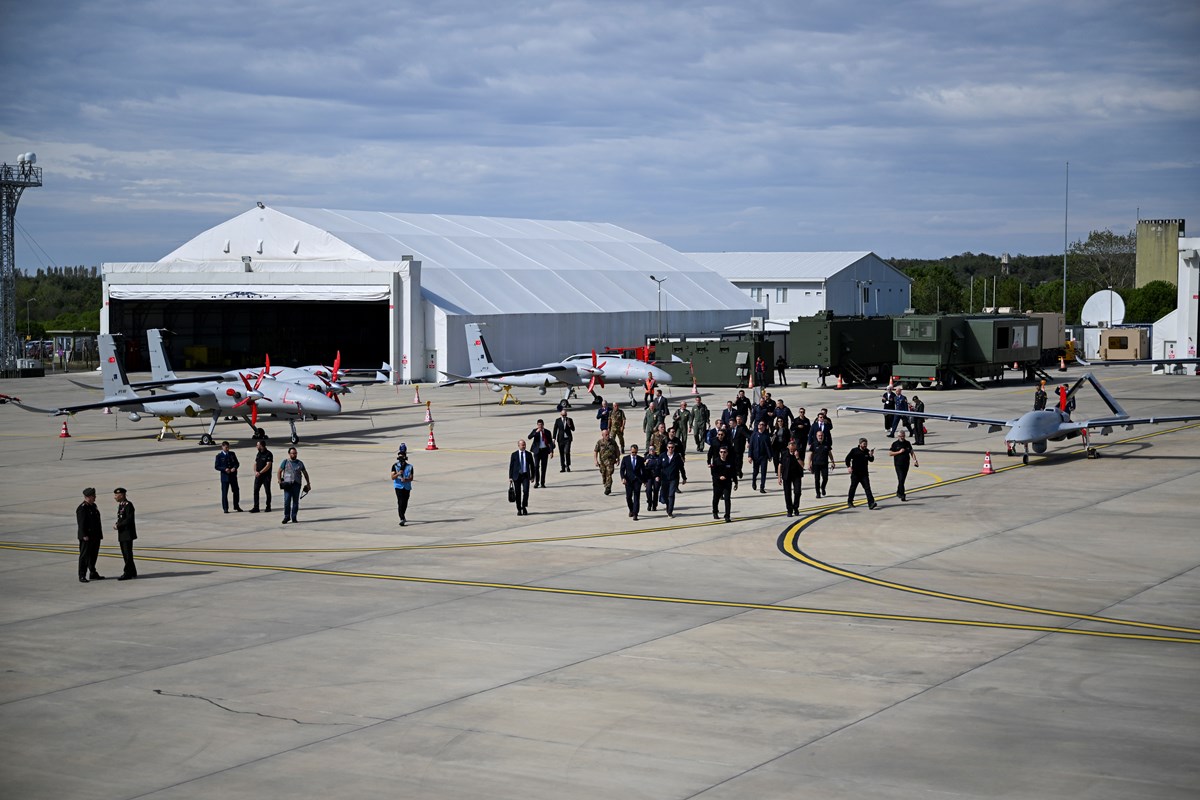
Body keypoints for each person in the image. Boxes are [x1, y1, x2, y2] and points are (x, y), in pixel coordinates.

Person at [277, 447, 311, 524]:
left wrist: (308, 483)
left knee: (295, 502)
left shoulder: (300, 463)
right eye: (293, 453)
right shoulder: (285, 462)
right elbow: (279, 471)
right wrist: (280, 481)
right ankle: (286, 517)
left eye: (295, 453)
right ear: (289, 454)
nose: (294, 454)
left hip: (296, 484)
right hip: (287, 485)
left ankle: (294, 517)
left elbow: (305, 473)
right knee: (287, 501)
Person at [76, 487, 104, 583]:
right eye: (93, 496)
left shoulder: (93, 506)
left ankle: (93, 572)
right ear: (87, 497)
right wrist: (84, 535)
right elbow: (81, 523)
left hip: (95, 536)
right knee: (84, 556)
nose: (95, 497)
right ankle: (82, 574)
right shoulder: (82, 508)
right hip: (86, 537)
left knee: (93, 556)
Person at [845, 438, 878, 510]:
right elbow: (847, 459)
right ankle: (850, 501)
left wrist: (871, 455)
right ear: (860, 444)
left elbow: (871, 460)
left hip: (864, 474)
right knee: (853, 488)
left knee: (867, 488)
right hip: (855, 473)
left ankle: (871, 503)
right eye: (864, 444)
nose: (865, 446)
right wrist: (849, 467)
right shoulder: (854, 451)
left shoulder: (867, 451)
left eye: (866, 444)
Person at [657, 440, 687, 518]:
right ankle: (668, 505)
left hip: (674, 478)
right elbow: (658, 467)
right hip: (664, 478)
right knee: (665, 495)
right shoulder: (662, 456)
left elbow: (681, 467)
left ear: (674, 448)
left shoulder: (677, 456)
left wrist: (684, 478)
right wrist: (657, 476)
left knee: (671, 495)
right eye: (669, 447)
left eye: (672, 447)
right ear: (667, 448)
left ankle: (670, 511)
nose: (670, 449)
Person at [113, 487, 137, 579]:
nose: (115, 497)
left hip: (127, 533)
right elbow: (121, 518)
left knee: (127, 553)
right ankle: (133, 571)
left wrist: (118, 526)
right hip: (123, 533)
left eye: (116, 495)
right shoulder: (121, 505)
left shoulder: (128, 505)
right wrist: (117, 523)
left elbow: (129, 519)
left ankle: (127, 573)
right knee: (126, 553)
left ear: (122, 495)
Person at [709, 445, 738, 522]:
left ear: (727, 453)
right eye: (721, 452)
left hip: (727, 483)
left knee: (727, 499)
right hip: (718, 483)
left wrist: (736, 482)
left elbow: (733, 472)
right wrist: (719, 477)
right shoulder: (715, 461)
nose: (723, 454)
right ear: (719, 453)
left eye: (724, 452)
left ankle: (727, 515)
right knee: (716, 499)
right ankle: (715, 511)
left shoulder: (730, 462)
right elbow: (713, 473)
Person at [889, 429, 918, 501]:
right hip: (898, 464)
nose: (902, 438)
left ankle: (899, 492)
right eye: (900, 436)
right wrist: (899, 452)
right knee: (901, 478)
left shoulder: (907, 443)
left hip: (906, 464)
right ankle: (902, 495)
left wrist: (915, 460)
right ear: (898, 436)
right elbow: (890, 453)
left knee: (902, 480)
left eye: (903, 436)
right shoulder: (895, 444)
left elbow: (911, 452)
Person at [777, 440, 805, 516]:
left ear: (796, 446)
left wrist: (797, 457)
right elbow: (780, 465)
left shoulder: (799, 453)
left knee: (797, 492)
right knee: (787, 494)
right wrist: (779, 477)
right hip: (786, 476)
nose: (792, 446)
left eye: (793, 444)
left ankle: (795, 507)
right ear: (788, 446)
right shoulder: (784, 453)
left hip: (797, 476)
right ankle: (789, 510)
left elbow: (803, 465)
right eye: (790, 444)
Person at [214, 441, 243, 513]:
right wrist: (224, 469)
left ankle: (236, 506)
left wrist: (234, 468)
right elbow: (217, 466)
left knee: (236, 491)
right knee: (224, 493)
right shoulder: (219, 456)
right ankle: (225, 508)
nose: (227, 449)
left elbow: (237, 463)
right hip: (225, 477)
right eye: (226, 447)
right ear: (222, 447)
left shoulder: (232, 454)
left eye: (228, 447)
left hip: (233, 476)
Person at [619, 444, 646, 520]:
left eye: (635, 452)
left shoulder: (640, 459)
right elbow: (622, 470)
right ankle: (631, 509)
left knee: (637, 497)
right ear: (630, 451)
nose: (634, 454)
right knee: (628, 497)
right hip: (628, 481)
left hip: (637, 481)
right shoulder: (625, 459)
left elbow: (643, 471)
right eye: (633, 452)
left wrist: (644, 481)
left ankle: (635, 513)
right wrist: (623, 478)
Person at [527, 418, 556, 487]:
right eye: (538, 425)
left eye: (541, 425)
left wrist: (551, 451)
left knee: (544, 467)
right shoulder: (535, 431)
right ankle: (537, 482)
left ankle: (542, 482)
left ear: (543, 425)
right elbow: (529, 437)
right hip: (537, 451)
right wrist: (536, 432)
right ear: (537, 425)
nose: (540, 426)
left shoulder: (547, 432)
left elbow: (550, 443)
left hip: (544, 451)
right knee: (536, 466)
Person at [390, 447, 415, 525]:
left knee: (405, 502)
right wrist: (398, 474)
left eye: (402, 456)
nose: (401, 458)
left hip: (407, 486)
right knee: (400, 502)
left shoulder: (410, 466)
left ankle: (403, 515)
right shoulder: (395, 466)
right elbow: (392, 477)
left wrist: (406, 480)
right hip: (398, 486)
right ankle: (401, 518)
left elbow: (411, 478)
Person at [508, 439, 533, 515]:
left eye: (524, 444)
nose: (524, 446)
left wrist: (533, 476)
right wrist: (510, 477)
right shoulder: (514, 454)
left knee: (526, 491)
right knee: (518, 493)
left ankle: (524, 506)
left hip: (525, 475)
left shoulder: (529, 454)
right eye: (522, 445)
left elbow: (532, 465)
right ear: (518, 446)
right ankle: (519, 509)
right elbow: (511, 466)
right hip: (517, 476)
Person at [748, 420, 773, 493]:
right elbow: (751, 447)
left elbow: (769, 446)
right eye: (759, 424)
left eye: (762, 424)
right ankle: (754, 482)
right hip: (756, 457)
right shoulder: (754, 435)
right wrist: (750, 456)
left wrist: (770, 455)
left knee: (763, 472)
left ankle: (762, 487)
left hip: (763, 457)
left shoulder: (766, 436)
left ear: (764, 427)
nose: (760, 425)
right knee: (755, 471)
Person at [593, 429, 621, 495]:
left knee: (609, 473)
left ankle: (608, 487)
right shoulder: (599, 442)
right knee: (603, 474)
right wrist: (595, 460)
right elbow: (595, 451)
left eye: (608, 434)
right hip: (602, 462)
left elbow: (617, 450)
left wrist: (618, 458)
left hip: (611, 462)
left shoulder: (613, 442)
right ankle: (606, 484)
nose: (608, 436)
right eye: (606, 435)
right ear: (602, 435)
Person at [249, 440, 274, 513]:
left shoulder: (268, 454)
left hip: (266, 476)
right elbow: (255, 463)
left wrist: (260, 472)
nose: (256, 446)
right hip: (258, 476)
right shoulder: (258, 453)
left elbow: (268, 465)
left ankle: (268, 506)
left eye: (257, 445)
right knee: (256, 491)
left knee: (267, 491)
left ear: (261, 446)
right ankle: (256, 507)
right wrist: (255, 472)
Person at [807, 429, 832, 498]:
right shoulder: (814, 444)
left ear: (823, 436)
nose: (820, 437)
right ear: (816, 436)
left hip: (824, 464)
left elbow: (830, 453)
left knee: (825, 478)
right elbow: (810, 455)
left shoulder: (826, 444)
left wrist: (832, 461)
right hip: (816, 464)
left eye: (821, 435)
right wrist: (809, 464)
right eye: (819, 436)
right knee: (817, 479)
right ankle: (818, 493)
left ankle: (823, 487)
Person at [643, 443, 662, 512]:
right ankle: (649, 503)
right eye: (650, 449)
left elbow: (660, 467)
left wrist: (659, 476)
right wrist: (645, 463)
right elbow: (642, 469)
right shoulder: (646, 457)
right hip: (648, 476)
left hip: (656, 476)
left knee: (656, 490)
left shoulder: (658, 457)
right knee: (648, 490)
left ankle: (654, 505)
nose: (652, 451)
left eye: (653, 449)